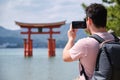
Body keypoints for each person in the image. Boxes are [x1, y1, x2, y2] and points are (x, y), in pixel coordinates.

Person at [62, 3, 115, 80]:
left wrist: (71, 39)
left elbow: (65, 57)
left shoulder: (85, 44)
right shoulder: (116, 39)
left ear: (89, 20)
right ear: (105, 20)